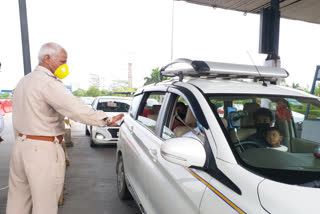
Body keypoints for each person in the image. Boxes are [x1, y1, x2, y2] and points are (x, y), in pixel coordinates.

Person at [6, 42, 124, 214]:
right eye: (62, 61)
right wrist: (105, 119)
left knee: (17, 201)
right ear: (46, 58)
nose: (64, 66)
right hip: (43, 150)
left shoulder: (23, 82)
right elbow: (74, 108)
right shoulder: (48, 83)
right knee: (45, 204)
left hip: (21, 147)